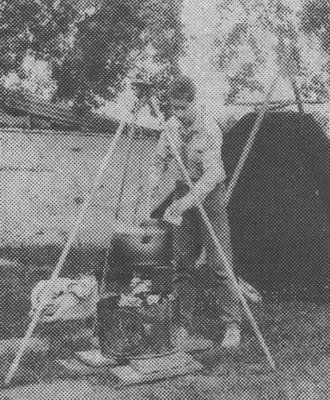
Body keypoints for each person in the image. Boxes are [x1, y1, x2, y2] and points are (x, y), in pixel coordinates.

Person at [148, 75, 241, 350]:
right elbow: (158, 161)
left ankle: (232, 325)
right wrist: (151, 185)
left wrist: (184, 202)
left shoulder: (210, 130)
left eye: (182, 107)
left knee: (219, 264)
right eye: (173, 108)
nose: (178, 113)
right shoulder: (171, 128)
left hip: (209, 196)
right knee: (181, 263)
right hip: (182, 191)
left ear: (193, 102)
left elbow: (211, 176)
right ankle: (182, 323)